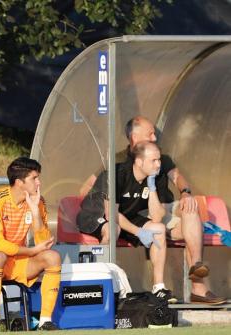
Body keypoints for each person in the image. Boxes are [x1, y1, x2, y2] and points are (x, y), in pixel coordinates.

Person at [78, 116, 224, 305]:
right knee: (114, 227)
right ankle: (103, 289)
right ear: (134, 137)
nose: (155, 137)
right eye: (150, 134)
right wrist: (99, 202)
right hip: (116, 214)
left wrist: (185, 193)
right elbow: (94, 196)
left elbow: (168, 194)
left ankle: (188, 277)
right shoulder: (117, 165)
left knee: (186, 210)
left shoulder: (159, 164)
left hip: (148, 210)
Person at [0, 157, 62, 332]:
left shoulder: (38, 201)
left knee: (53, 257)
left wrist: (35, 212)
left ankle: (45, 321)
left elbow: (45, 243)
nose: (39, 182)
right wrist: (31, 250)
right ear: (20, 182)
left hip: (15, 261)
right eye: (34, 178)